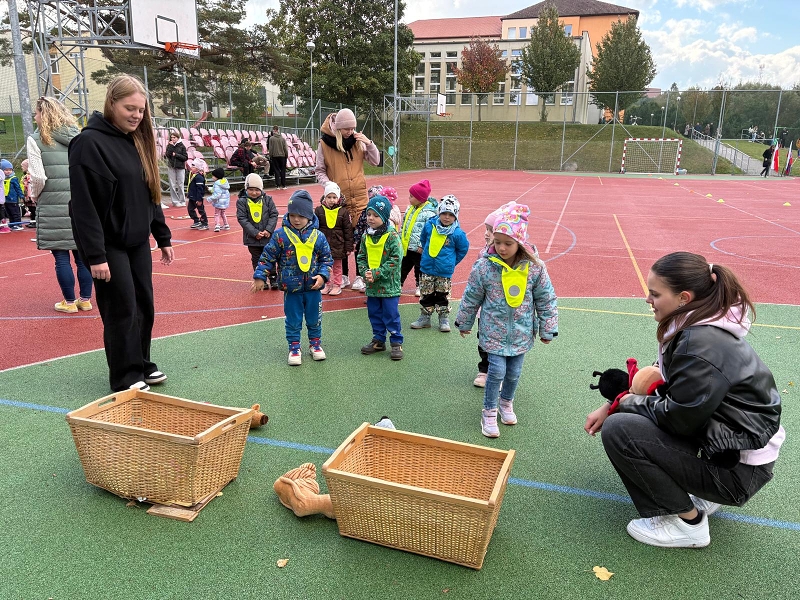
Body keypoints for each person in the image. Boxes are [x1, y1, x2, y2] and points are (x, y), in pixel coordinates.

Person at [584, 252, 784, 549]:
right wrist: (613, 401)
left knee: (620, 429)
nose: (648, 300)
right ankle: (700, 494)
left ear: (683, 298)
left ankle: (688, 523)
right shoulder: (701, 326)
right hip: (732, 452)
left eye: (655, 294)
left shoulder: (699, 342)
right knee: (627, 416)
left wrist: (622, 404)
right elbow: (663, 382)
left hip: (737, 471)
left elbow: (678, 417)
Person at [68, 74, 174, 392]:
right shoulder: (88, 144)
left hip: (137, 242)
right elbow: (83, 206)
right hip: (109, 245)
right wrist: (95, 256)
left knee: (144, 303)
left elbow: (150, 194)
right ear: (111, 103)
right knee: (121, 307)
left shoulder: (137, 141)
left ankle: (142, 363)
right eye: (129, 108)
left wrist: (163, 236)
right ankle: (125, 375)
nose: (136, 116)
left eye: (141, 111)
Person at [455, 203, 558, 438]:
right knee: (497, 371)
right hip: (493, 331)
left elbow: (546, 299)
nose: (501, 247)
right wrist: (465, 321)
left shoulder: (534, 268)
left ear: (520, 242)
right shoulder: (484, 267)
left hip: (521, 332)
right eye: (497, 242)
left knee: (514, 372)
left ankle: (506, 403)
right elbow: (472, 296)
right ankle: (489, 411)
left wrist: (548, 327)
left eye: (508, 243)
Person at [26, 96, 93, 313]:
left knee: (61, 256)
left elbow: (38, 177)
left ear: (43, 114)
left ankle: (69, 302)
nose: (34, 117)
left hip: (53, 203)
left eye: (36, 113)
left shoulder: (36, 140)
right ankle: (86, 299)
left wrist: (34, 196)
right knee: (82, 256)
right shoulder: (78, 137)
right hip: (80, 203)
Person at [251, 190, 333, 365]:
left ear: (309, 215)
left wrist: (323, 276)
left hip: (313, 288)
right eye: (293, 215)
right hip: (292, 289)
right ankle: (294, 348)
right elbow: (267, 256)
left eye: (301, 215)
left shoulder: (318, 236)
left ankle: (315, 345)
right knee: (293, 320)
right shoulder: (281, 235)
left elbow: (326, 259)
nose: (296, 219)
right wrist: (260, 276)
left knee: (314, 319)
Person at [315, 109, 380, 289]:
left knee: (362, 240)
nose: (350, 132)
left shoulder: (358, 142)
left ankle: (360, 275)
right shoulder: (324, 144)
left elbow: (375, 161)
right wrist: (329, 186)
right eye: (346, 129)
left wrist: (370, 144)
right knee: (339, 238)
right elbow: (319, 170)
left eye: (352, 128)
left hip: (360, 198)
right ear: (338, 128)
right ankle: (342, 275)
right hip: (338, 199)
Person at [409, 195, 469, 333]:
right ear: (439, 213)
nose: (447, 217)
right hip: (427, 268)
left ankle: (444, 318)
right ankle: (425, 317)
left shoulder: (457, 233)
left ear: (456, 216)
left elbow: (463, 249)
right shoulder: (430, 226)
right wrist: (426, 254)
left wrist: (452, 262)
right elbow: (424, 239)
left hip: (444, 271)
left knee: (443, 294)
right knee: (426, 293)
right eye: (443, 213)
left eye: (450, 214)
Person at [357, 195, 404, 361]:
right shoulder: (366, 236)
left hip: (389, 286)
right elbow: (361, 257)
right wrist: (364, 272)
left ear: (384, 217)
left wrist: (376, 273)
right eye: (369, 214)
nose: (371, 218)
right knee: (374, 313)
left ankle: (396, 342)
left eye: (376, 215)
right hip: (372, 286)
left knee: (391, 314)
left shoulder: (392, 237)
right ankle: (378, 339)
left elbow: (396, 260)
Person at [237, 173, 279, 287]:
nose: (254, 192)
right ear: (246, 189)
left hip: (267, 237)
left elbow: (274, 215)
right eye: (251, 189)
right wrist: (255, 233)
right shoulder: (242, 201)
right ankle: (261, 279)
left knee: (270, 257)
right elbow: (242, 218)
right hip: (252, 238)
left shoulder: (268, 199)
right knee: (257, 259)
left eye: (257, 190)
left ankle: (273, 277)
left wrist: (268, 230)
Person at [400, 179, 437, 298]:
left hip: (418, 248)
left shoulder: (429, 213)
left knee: (419, 268)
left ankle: (419, 286)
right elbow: (404, 225)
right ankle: (398, 285)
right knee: (402, 267)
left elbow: (430, 232)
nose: (409, 198)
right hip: (407, 245)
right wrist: (400, 238)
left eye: (411, 196)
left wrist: (423, 245)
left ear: (420, 198)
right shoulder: (409, 209)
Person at [314, 181, 353, 296]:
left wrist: (348, 246)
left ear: (338, 198)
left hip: (338, 245)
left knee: (337, 266)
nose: (331, 200)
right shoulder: (319, 210)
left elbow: (348, 230)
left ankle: (337, 285)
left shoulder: (343, 212)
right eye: (329, 197)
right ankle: (326, 284)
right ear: (325, 197)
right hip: (323, 245)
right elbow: (315, 228)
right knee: (324, 266)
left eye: (334, 197)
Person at [164, 130, 188, 209]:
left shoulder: (182, 146)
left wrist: (176, 155)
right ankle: (175, 201)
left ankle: (182, 200)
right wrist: (170, 147)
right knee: (172, 184)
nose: (172, 139)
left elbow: (185, 157)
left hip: (180, 167)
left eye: (174, 137)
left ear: (178, 138)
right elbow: (167, 155)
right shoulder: (169, 145)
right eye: (171, 138)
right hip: (171, 166)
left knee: (180, 184)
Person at [1, 159, 24, 230]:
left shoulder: (13, 178)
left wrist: (21, 195)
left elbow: (18, 187)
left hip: (13, 199)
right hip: (6, 199)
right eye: (6, 170)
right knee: (9, 212)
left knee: (15, 212)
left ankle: (18, 224)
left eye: (10, 170)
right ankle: (12, 224)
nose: (8, 171)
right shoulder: (2, 178)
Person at [186, 159, 209, 230]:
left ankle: (205, 223)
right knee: (190, 209)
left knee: (201, 210)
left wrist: (199, 199)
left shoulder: (199, 177)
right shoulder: (194, 175)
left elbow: (200, 189)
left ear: (198, 168)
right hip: (192, 197)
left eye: (193, 167)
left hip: (197, 197)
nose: (191, 168)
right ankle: (196, 221)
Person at [207, 167, 231, 232]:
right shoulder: (224, 182)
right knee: (223, 213)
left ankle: (217, 225)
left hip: (219, 202)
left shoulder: (217, 183)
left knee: (217, 214)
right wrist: (210, 189)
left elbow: (217, 194)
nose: (212, 177)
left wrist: (209, 199)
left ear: (217, 177)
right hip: (224, 202)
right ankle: (226, 224)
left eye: (213, 176)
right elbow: (216, 190)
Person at [267, 125, 288, 190]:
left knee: (276, 170)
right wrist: (286, 155)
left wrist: (271, 155)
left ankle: (278, 185)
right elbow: (285, 148)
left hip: (275, 156)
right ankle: (284, 185)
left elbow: (270, 148)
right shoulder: (282, 139)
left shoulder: (271, 139)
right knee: (283, 170)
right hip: (282, 156)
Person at [20, 159, 36, 228]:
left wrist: (29, 196)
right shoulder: (26, 176)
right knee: (30, 208)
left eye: (23, 166)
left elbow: (29, 186)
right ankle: (32, 221)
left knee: (33, 209)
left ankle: (34, 221)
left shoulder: (29, 176)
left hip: (30, 196)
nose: (22, 168)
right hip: (26, 195)